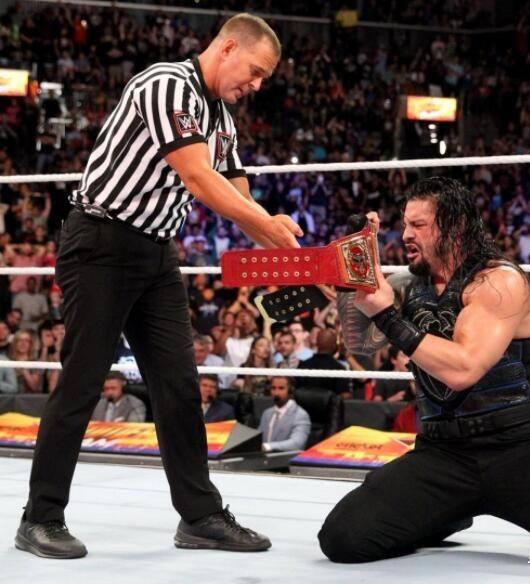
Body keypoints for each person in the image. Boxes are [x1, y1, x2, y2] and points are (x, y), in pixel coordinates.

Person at [17, 13, 302, 559]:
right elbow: (198, 176)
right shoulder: (166, 84)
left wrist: (283, 240)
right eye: (255, 70)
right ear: (228, 48)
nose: (257, 85)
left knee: (179, 385)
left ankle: (200, 516)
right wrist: (262, 226)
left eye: (264, 78)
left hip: (157, 253)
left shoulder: (221, 117)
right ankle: (41, 517)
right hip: (101, 243)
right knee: (83, 381)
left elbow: (237, 191)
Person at [318, 177, 530, 571]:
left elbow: (464, 369)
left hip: (516, 448)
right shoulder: (409, 283)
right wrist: (355, 277)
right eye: (404, 224)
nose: (405, 235)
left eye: (418, 225)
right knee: (343, 539)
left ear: (454, 227)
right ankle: (449, 512)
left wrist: (387, 315)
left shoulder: (499, 281)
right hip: (442, 452)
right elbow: (359, 343)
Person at [259, 376, 310, 452]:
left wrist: (268, 446)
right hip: (263, 458)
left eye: (281, 388)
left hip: (286, 458)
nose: (276, 393)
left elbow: (297, 443)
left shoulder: (300, 415)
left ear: (290, 391)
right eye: (273, 388)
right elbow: (258, 438)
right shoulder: (267, 413)